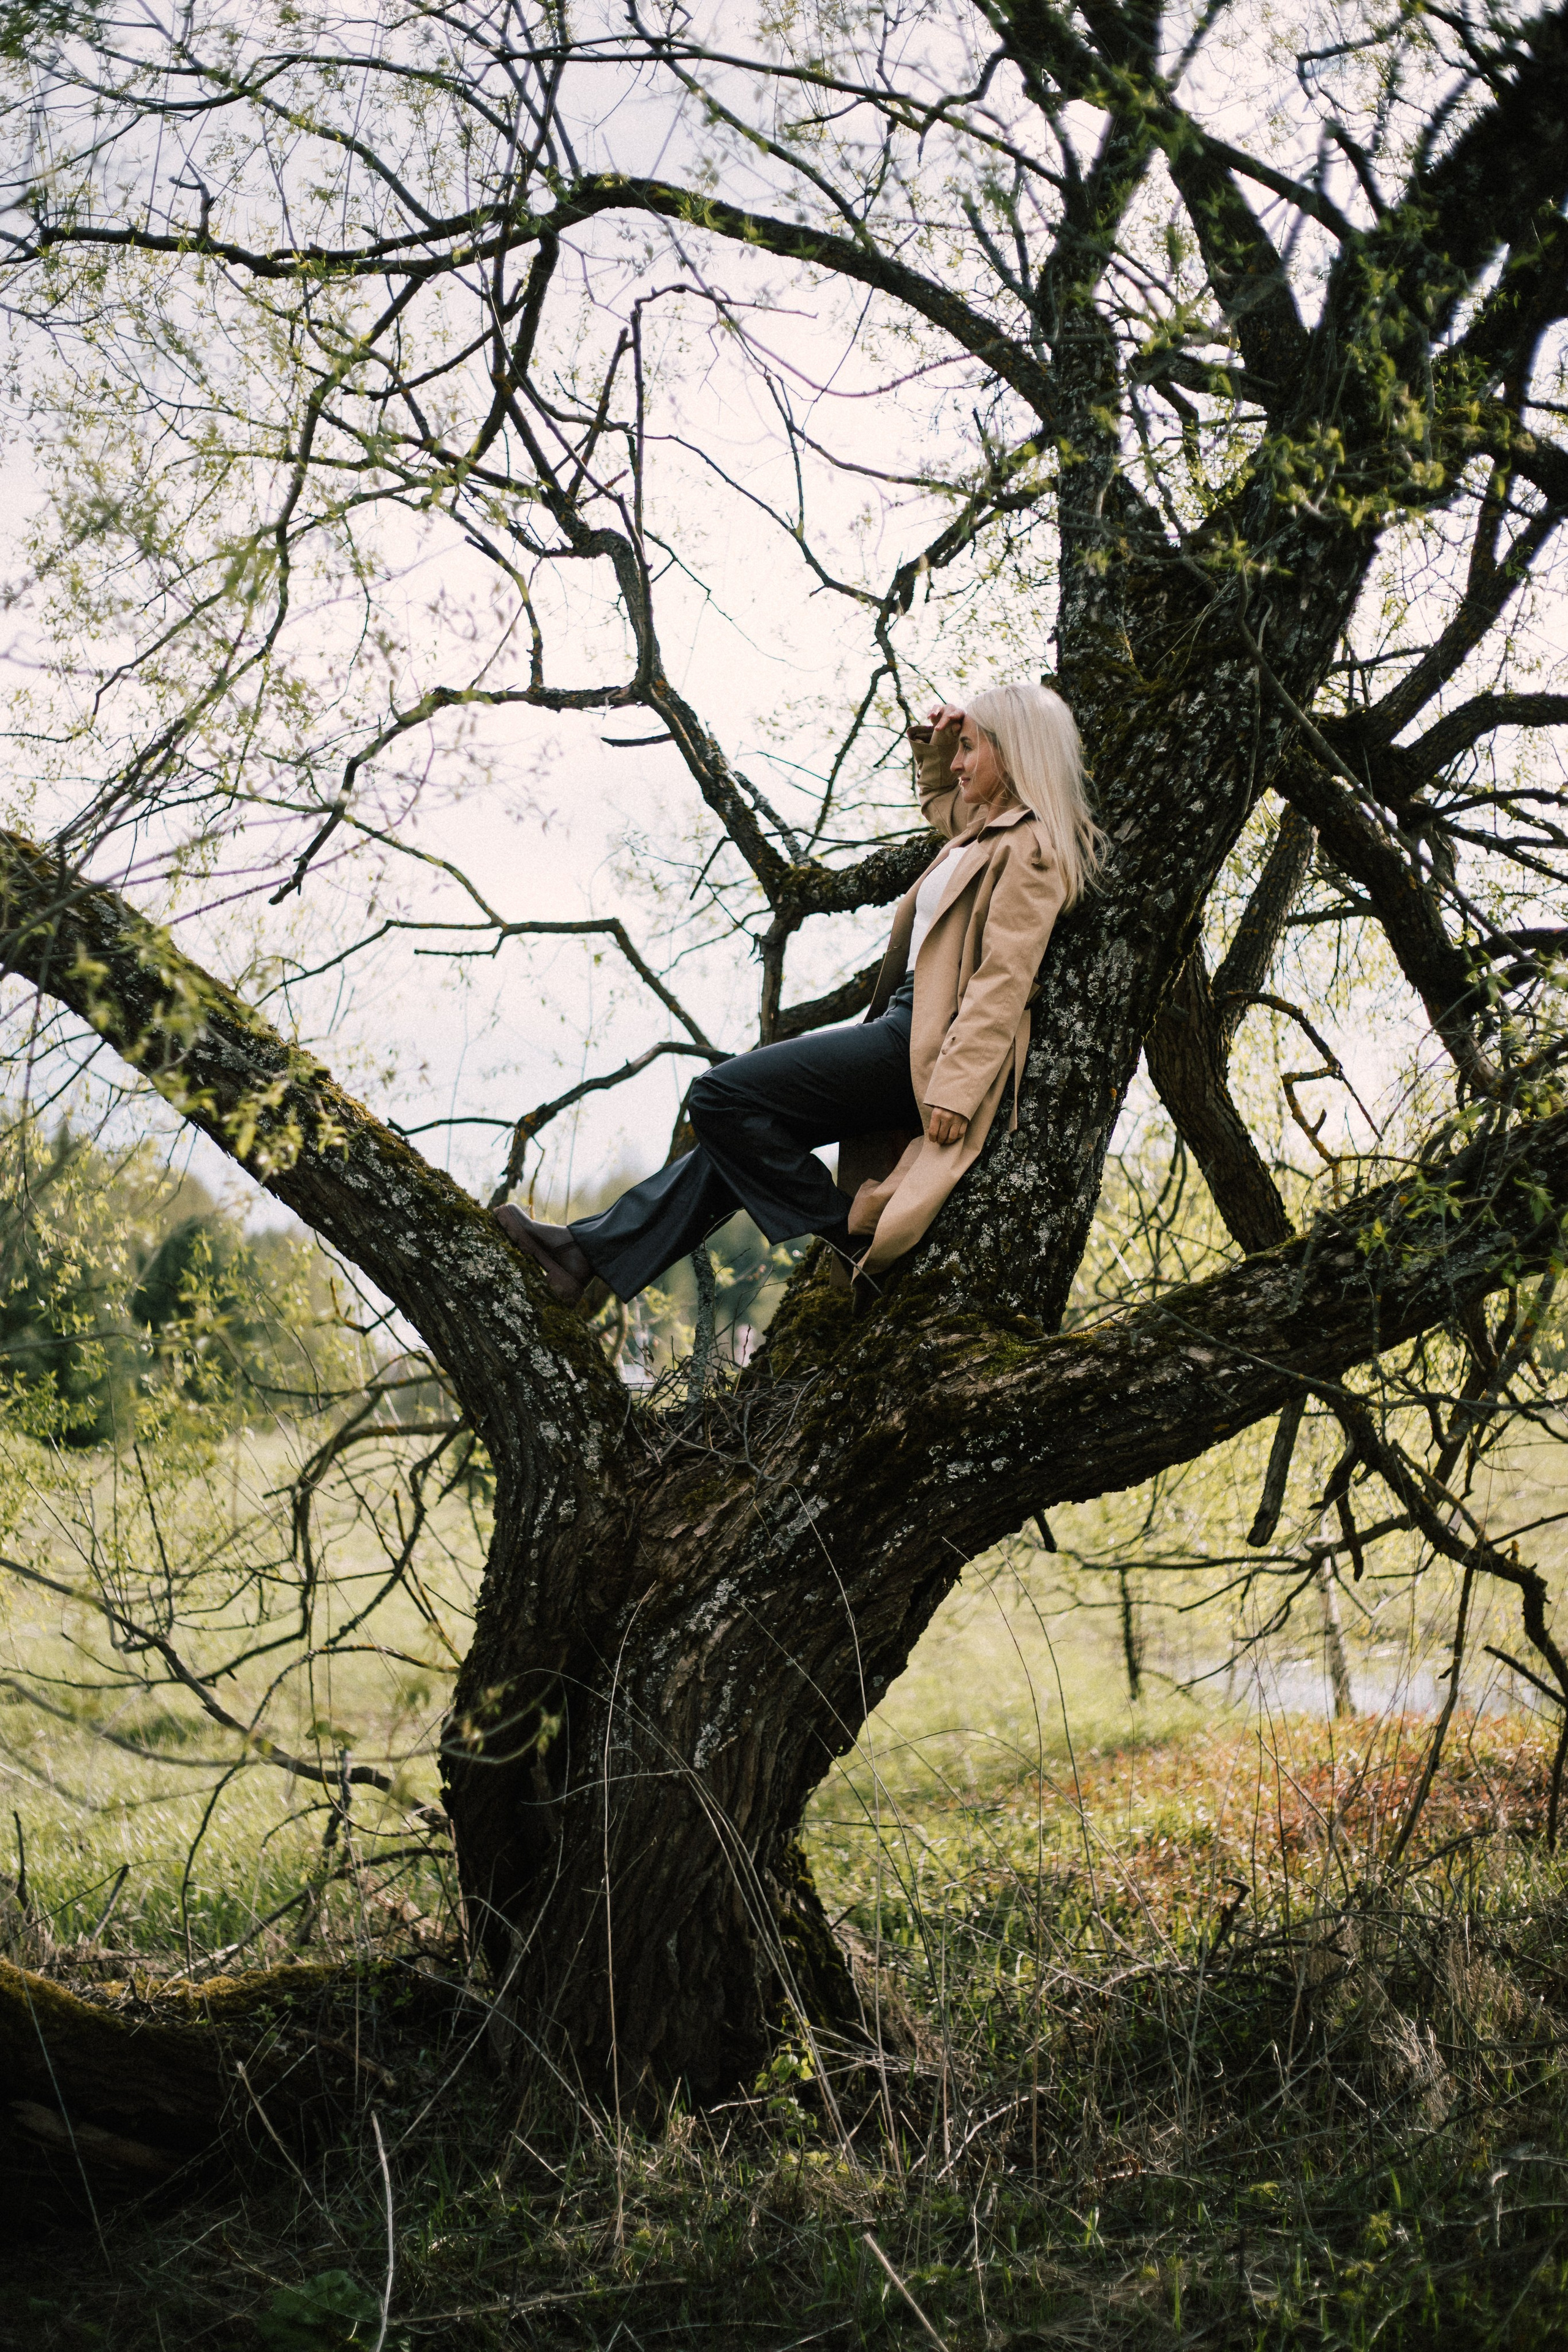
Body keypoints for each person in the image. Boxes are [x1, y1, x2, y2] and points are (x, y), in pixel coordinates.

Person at [496, 681, 1102, 1304]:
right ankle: (578, 1257)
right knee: (735, 1147)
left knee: (719, 1097)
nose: (956, 764)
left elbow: (1005, 976)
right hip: (901, 1025)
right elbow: (942, 799)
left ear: (1014, 751)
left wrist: (958, 1086)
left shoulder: (1029, 848)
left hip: (922, 1044)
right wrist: (942, 738)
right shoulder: (983, 830)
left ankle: (842, 1231)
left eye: (971, 748)